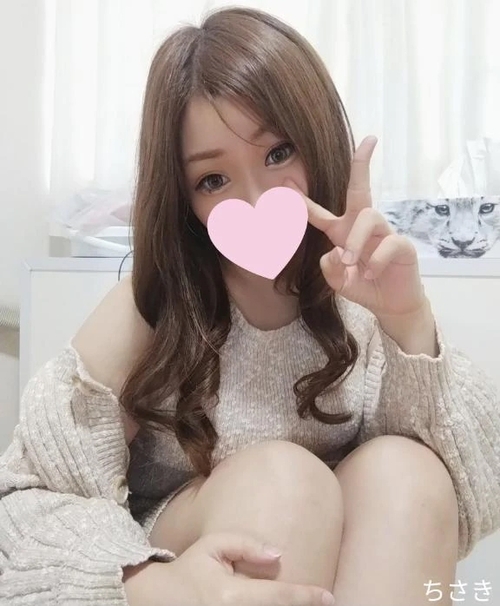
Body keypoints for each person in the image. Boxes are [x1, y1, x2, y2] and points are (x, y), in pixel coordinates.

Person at [1, 6, 499, 606]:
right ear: (182, 196)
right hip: (190, 573)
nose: (257, 196)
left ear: (317, 137)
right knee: (283, 484)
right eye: (212, 180)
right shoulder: (152, 309)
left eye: (278, 152)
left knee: (406, 473)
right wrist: (155, 585)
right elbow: (23, 506)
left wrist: (407, 321)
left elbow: (473, 496)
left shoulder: (360, 288)